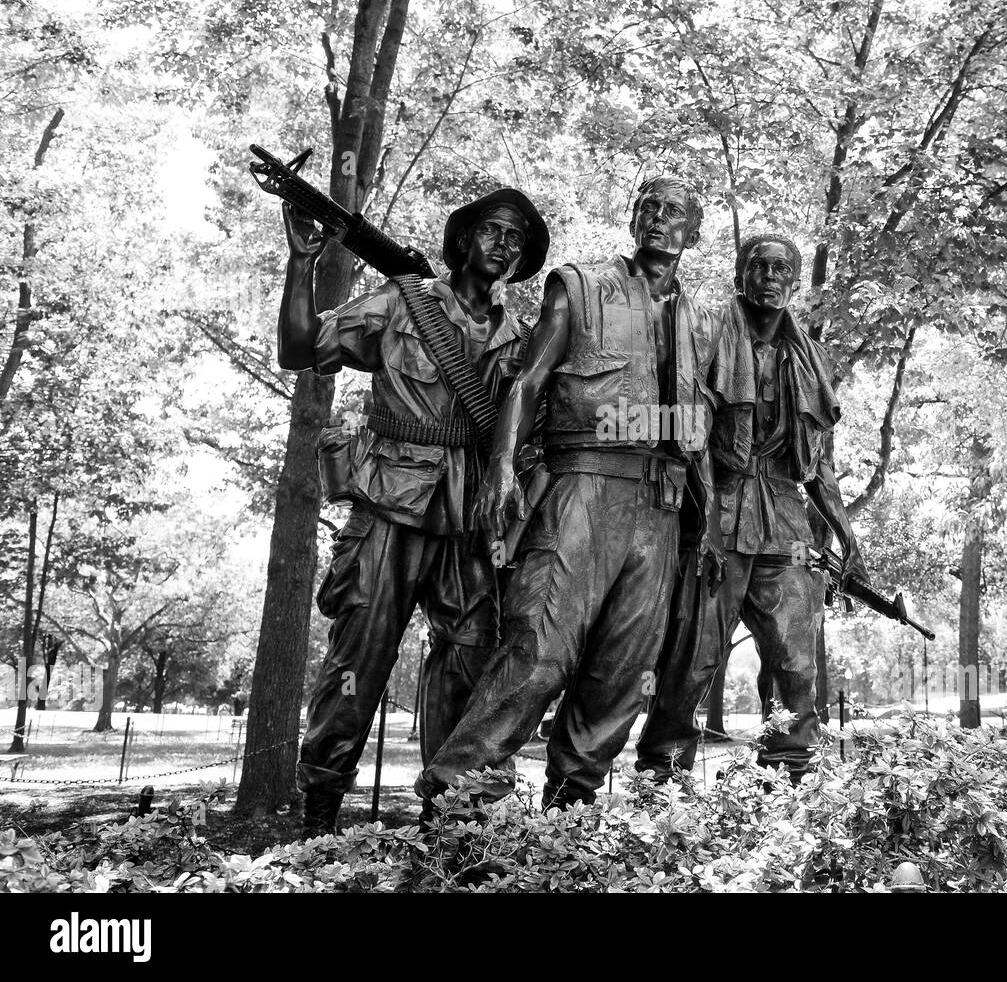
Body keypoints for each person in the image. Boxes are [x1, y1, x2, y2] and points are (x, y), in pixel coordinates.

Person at [418, 175, 724, 809]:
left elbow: (698, 429)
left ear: (696, 232)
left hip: (661, 509)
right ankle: (451, 801)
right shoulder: (580, 286)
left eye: (674, 212)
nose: (658, 219)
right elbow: (526, 385)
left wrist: (711, 520)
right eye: (648, 207)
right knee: (538, 653)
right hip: (581, 487)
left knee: (620, 672)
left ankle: (571, 813)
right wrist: (502, 467)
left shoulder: (699, 320)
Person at [276, 188, 550, 837]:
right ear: (463, 239)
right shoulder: (403, 303)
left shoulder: (522, 340)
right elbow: (299, 347)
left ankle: (447, 833)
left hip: (468, 522)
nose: (503, 244)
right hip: (388, 508)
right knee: (355, 669)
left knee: (468, 674)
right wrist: (301, 262)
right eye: (492, 230)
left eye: (516, 238)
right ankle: (315, 830)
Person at [635, 233, 869, 783]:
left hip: (784, 517)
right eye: (758, 267)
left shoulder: (810, 358)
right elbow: (689, 434)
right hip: (717, 507)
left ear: (794, 284)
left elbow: (818, 461)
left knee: (795, 662)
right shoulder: (708, 331)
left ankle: (787, 778)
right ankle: (662, 777)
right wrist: (710, 527)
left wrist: (845, 531)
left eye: (782, 270)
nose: (769, 277)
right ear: (740, 275)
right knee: (694, 657)